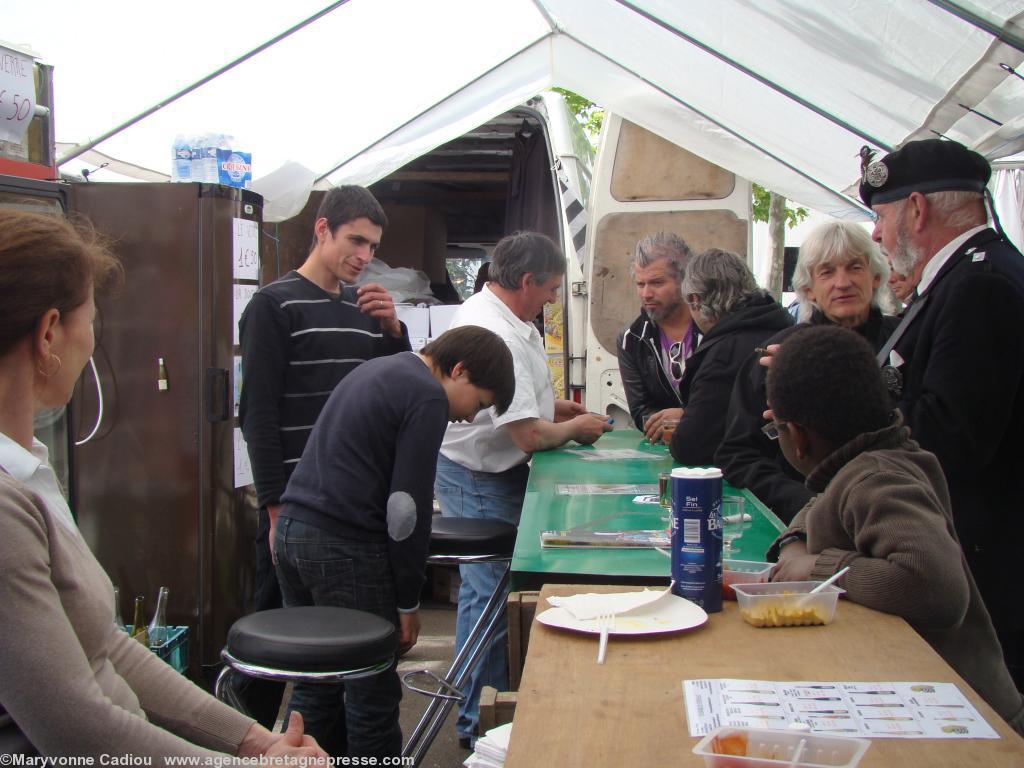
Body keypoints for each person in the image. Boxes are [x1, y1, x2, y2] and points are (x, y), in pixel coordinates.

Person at [0, 211, 327, 761]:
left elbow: (107, 647)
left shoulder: (27, 466)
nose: (93, 343)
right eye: (92, 321)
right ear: (49, 332)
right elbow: (75, 728)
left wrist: (255, 742)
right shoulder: (6, 513)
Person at [764, 325, 1024, 734]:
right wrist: (795, 543)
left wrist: (819, 567)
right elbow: (822, 503)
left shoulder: (878, 478)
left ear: (796, 436)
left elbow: (934, 588)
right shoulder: (868, 463)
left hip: (971, 720)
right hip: (929, 706)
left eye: (775, 428)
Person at [274, 325, 515, 758]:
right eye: (479, 403)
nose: (469, 418)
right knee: (371, 692)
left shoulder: (381, 369)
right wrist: (407, 600)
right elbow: (406, 509)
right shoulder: (426, 395)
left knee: (318, 680)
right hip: (344, 546)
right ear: (459, 370)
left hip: (295, 532)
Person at [434, 231, 612, 746]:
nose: (553, 299)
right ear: (527, 280)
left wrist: (552, 407)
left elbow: (516, 405)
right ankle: (478, 725)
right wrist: (573, 428)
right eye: (551, 289)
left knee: (493, 591)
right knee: (489, 595)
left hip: (491, 467)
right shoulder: (499, 331)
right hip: (478, 473)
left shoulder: (510, 317)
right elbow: (528, 436)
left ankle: (485, 713)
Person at [862, 138, 1024, 688]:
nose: (877, 235)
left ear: (916, 210)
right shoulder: (970, 276)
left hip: (988, 565)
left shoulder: (979, 286)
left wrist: (849, 404)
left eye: (881, 217)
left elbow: (949, 438)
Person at [238, 185, 409, 625]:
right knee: (282, 637)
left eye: (373, 246)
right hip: (293, 506)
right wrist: (275, 512)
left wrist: (394, 331)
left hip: (352, 507)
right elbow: (257, 415)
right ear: (322, 230)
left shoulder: (365, 308)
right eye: (356, 240)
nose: (365, 255)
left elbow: (393, 394)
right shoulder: (273, 305)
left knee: (349, 638)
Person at [715, 220, 898, 524]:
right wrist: (805, 503)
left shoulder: (908, 340)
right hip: (808, 519)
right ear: (808, 290)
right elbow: (737, 454)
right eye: (827, 272)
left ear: (876, 277)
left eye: (855, 267)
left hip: (894, 507)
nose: (842, 282)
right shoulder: (777, 354)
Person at [667, 249, 792, 465]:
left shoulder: (723, 355)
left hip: (754, 477)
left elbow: (691, 446)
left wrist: (683, 423)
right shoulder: (788, 329)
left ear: (695, 300)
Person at [616, 232, 698, 442]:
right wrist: (673, 426)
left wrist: (689, 417)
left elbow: (732, 400)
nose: (646, 294)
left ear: (684, 281)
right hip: (666, 449)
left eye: (657, 283)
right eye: (640, 284)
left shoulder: (713, 328)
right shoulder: (631, 339)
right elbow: (641, 411)